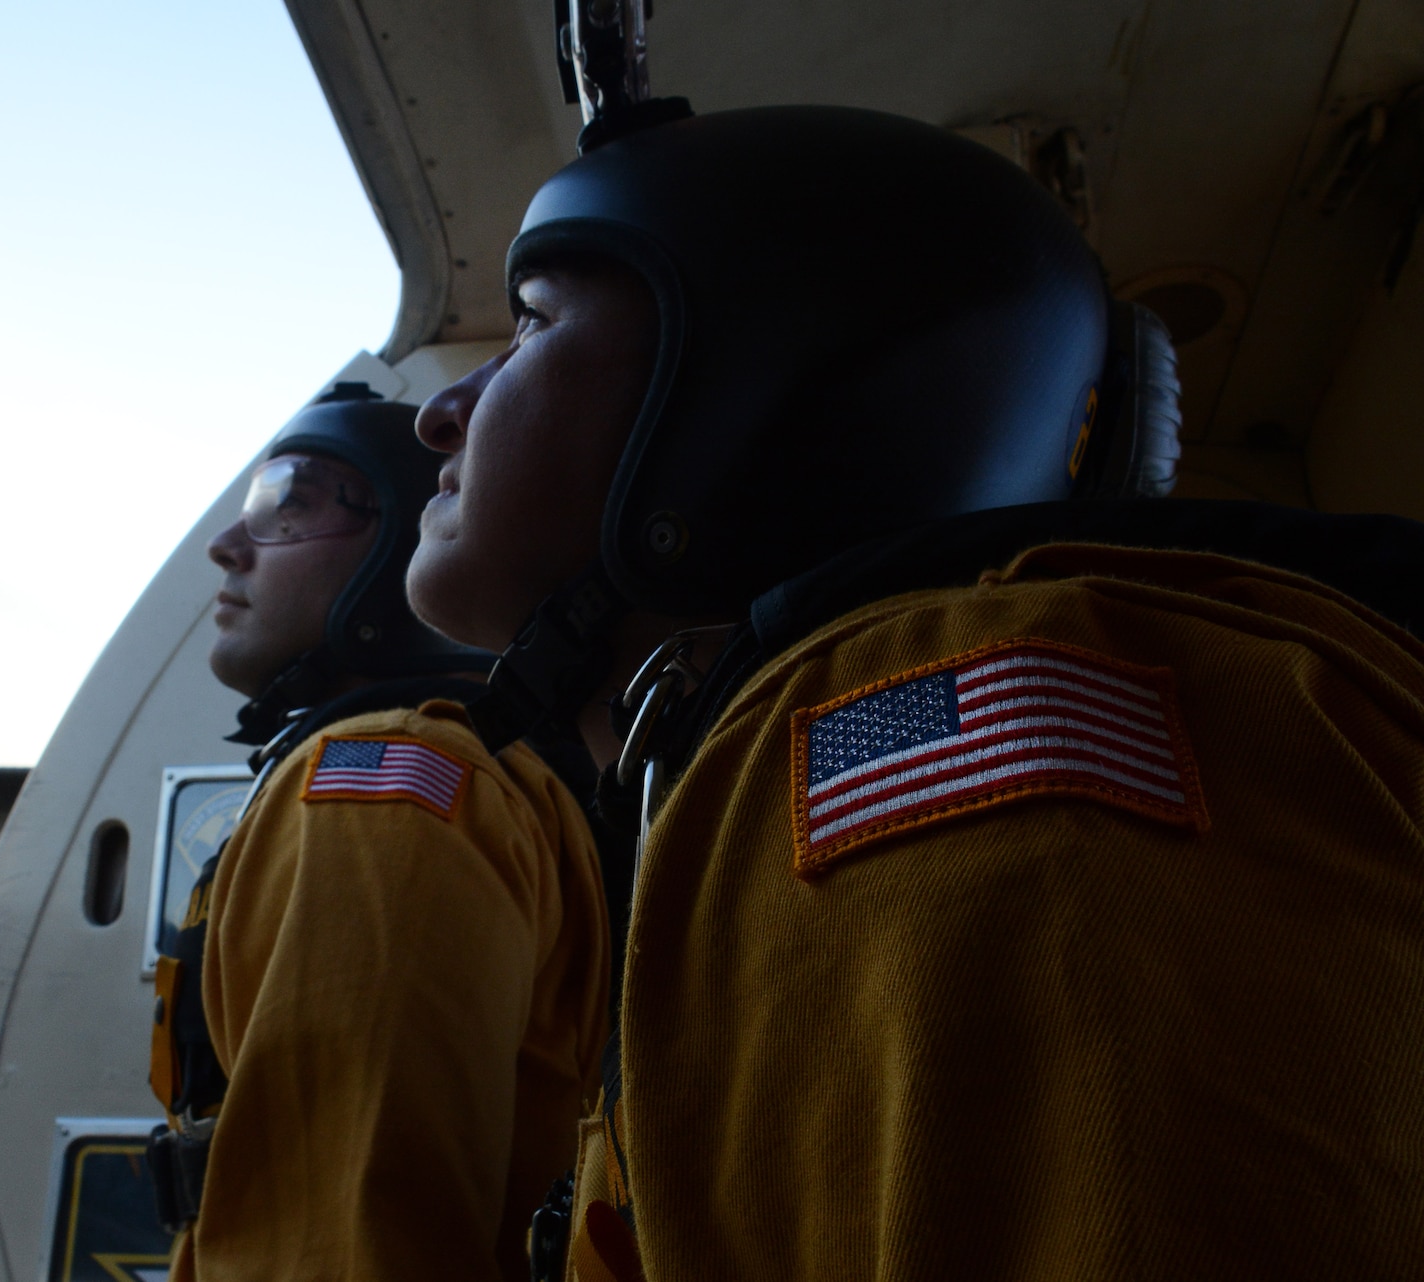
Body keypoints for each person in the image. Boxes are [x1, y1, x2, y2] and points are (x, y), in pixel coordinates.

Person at [406, 103, 1424, 1280]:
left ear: (742, 387)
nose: (440, 410)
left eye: (529, 324)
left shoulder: (932, 745)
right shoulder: (753, 776)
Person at [146, 383, 612, 1282]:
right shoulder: (451, 771)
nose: (228, 545)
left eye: (291, 501)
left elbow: (341, 1249)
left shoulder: (382, 785)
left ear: (401, 539)